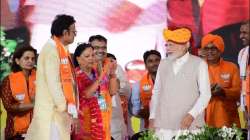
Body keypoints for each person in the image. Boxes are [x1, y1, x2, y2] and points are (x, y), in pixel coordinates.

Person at [149, 28, 211, 140]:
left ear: (186, 45)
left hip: (190, 126)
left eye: (171, 45)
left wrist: (191, 115)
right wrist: (152, 117)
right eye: (167, 45)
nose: (168, 49)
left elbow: (206, 95)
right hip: (164, 127)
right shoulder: (163, 64)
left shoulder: (199, 64)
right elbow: (157, 92)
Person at [25, 14, 78, 140]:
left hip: (57, 113)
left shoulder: (60, 49)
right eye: (74, 32)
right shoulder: (51, 51)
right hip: (53, 114)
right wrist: (64, 107)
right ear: (65, 32)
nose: (75, 34)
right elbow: (54, 83)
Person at [201, 34, 241, 128]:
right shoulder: (197, 68)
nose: (210, 51)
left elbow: (238, 93)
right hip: (203, 120)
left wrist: (223, 91)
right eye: (206, 48)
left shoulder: (232, 67)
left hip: (227, 120)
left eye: (213, 48)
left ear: (220, 49)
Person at [72, 43, 110, 140]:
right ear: (78, 59)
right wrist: (101, 75)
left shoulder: (95, 74)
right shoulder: (75, 76)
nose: (91, 58)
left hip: (99, 120)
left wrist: (104, 111)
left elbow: (99, 95)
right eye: (87, 56)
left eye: (93, 55)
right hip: (83, 121)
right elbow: (87, 94)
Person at [0, 46, 37, 140]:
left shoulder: (40, 77)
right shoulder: (8, 80)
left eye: (33, 59)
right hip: (16, 133)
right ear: (17, 61)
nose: (30, 61)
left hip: (38, 130)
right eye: (26, 58)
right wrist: (34, 104)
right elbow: (9, 106)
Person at [88, 35, 119, 140]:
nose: (101, 51)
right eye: (96, 48)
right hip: (90, 120)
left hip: (105, 118)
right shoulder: (86, 66)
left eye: (103, 48)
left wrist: (113, 73)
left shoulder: (107, 65)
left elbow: (113, 92)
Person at [130, 50, 161, 130]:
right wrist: (147, 112)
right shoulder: (137, 86)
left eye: (157, 60)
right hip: (148, 127)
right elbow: (135, 111)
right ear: (146, 65)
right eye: (150, 61)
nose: (154, 63)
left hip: (169, 126)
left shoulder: (170, 82)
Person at [107, 53, 131, 140]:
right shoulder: (95, 74)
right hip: (104, 126)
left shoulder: (116, 67)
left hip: (119, 124)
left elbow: (127, 90)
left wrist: (116, 81)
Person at [238, 20, 249, 138]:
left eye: (245, 33)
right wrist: (244, 108)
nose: (241, 36)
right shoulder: (242, 53)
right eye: (241, 33)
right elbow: (243, 83)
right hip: (245, 108)